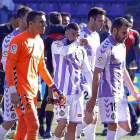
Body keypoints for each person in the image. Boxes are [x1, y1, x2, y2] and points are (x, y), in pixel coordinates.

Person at [5, 10, 66, 140]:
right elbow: (9, 66)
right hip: (21, 91)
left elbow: (42, 68)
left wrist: (54, 88)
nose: (45, 25)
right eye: (41, 22)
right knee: (34, 126)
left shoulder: (39, 41)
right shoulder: (17, 41)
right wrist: (13, 91)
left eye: (45, 22)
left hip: (33, 91)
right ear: (31, 23)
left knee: (22, 128)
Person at [87, 17, 140, 140]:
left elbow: (123, 70)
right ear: (114, 30)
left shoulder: (121, 46)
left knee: (127, 127)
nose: (126, 36)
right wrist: (94, 97)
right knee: (113, 127)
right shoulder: (104, 48)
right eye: (123, 33)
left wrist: (132, 91)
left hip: (120, 92)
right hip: (107, 93)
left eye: (127, 33)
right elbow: (97, 74)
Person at [51, 22, 93, 140]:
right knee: (63, 123)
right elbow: (65, 52)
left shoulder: (81, 51)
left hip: (77, 94)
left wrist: (95, 90)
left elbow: (87, 72)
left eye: (77, 35)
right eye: (72, 34)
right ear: (66, 33)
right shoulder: (57, 45)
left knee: (73, 126)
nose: (75, 37)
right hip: (61, 93)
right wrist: (77, 42)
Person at [0, 5, 32, 140]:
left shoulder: (34, 37)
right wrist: (13, 90)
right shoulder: (9, 39)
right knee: (10, 120)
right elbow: (7, 64)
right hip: (13, 87)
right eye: (27, 17)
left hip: (29, 86)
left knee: (27, 120)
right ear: (19, 19)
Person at [76, 7, 105, 140]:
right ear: (91, 19)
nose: (102, 23)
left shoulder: (96, 36)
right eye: (100, 20)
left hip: (94, 80)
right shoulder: (81, 35)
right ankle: (68, 136)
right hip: (82, 82)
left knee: (94, 119)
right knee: (90, 116)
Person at [39, 11, 65, 138]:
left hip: (52, 73)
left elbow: (41, 54)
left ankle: (48, 129)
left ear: (49, 23)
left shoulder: (48, 39)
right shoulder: (68, 35)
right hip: (66, 73)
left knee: (49, 100)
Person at [123, 14, 140, 136]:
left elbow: (138, 49)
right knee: (122, 96)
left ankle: (133, 119)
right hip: (119, 66)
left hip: (131, 66)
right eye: (129, 22)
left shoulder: (135, 34)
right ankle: (133, 119)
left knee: (125, 96)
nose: (131, 24)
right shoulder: (120, 33)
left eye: (132, 22)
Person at [0, 13, 18, 126]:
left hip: (9, 69)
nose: (17, 27)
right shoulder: (2, 29)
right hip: (2, 66)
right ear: (11, 20)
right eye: (15, 24)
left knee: (5, 96)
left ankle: (10, 125)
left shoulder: (20, 34)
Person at [99, 16, 112, 136]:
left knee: (107, 100)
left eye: (102, 26)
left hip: (106, 74)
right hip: (104, 73)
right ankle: (107, 126)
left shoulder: (107, 38)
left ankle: (108, 126)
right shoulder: (103, 37)